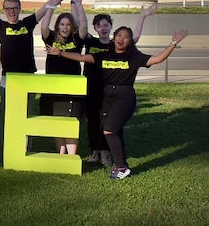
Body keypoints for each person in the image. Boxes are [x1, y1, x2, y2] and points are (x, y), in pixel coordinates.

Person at [46, 27, 188, 179]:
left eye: (126, 37)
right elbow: (83, 58)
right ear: (114, 38)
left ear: (130, 41)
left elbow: (157, 59)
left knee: (109, 130)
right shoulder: (105, 54)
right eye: (119, 35)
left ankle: (122, 167)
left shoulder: (134, 56)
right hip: (105, 97)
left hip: (124, 97)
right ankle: (120, 164)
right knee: (115, 132)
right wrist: (60, 53)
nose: (121, 39)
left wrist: (173, 42)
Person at [0, 0, 70, 142]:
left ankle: (25, 146)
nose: (11, 11)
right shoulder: (0, 25)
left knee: (27, 114)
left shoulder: (28, 23)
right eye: (8, 8)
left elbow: (48, 5)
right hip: (8, 78)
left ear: (19, 9)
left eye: (14, 8)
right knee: (7, 114)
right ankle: (7, 144)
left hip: (28, 76)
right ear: (4, 10)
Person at [82, 4, 156, 167]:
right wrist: (76, 2)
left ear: (111, 28)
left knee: (112, 122)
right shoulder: (90, 40)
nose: (103, 28)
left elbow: (134, 38)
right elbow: (81, 26)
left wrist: (142, 16)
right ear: (95, 27)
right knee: (93, 121)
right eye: (99, 25)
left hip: (109, 89)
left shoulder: (114, 44)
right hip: (91, 87)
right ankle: (96, 151)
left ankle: (108, 152)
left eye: (106, 25)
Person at [39, 0, 87, 155]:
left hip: (72, 89)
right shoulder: (51, 38)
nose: (65, 27)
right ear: (57, 26)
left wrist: (79, 5)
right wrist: (51, 6)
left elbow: (84, 26)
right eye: (62, 24)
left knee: (71, 121)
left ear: (71, 26)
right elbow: (43, 27)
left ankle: (71, 155)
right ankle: (61, 154)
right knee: (57, 121)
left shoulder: (76, 39)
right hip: (54, 88)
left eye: (68, 24)